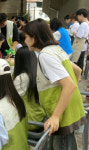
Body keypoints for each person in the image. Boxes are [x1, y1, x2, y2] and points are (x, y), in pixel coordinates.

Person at [23, 18, 85, 149]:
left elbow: (69, 85)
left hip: (61, 112)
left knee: (61, 145)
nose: (25, 40)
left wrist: (56, 116)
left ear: (35, 38)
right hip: (68, 107)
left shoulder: (45, 55)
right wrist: (72, 94)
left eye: (26, 36)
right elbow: (77, 71)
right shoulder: (56, 49)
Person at [13, 46, 46, 130]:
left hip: (29, 120)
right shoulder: (38, 71)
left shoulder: (22, 78)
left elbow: (10, 99)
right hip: (39, 115)